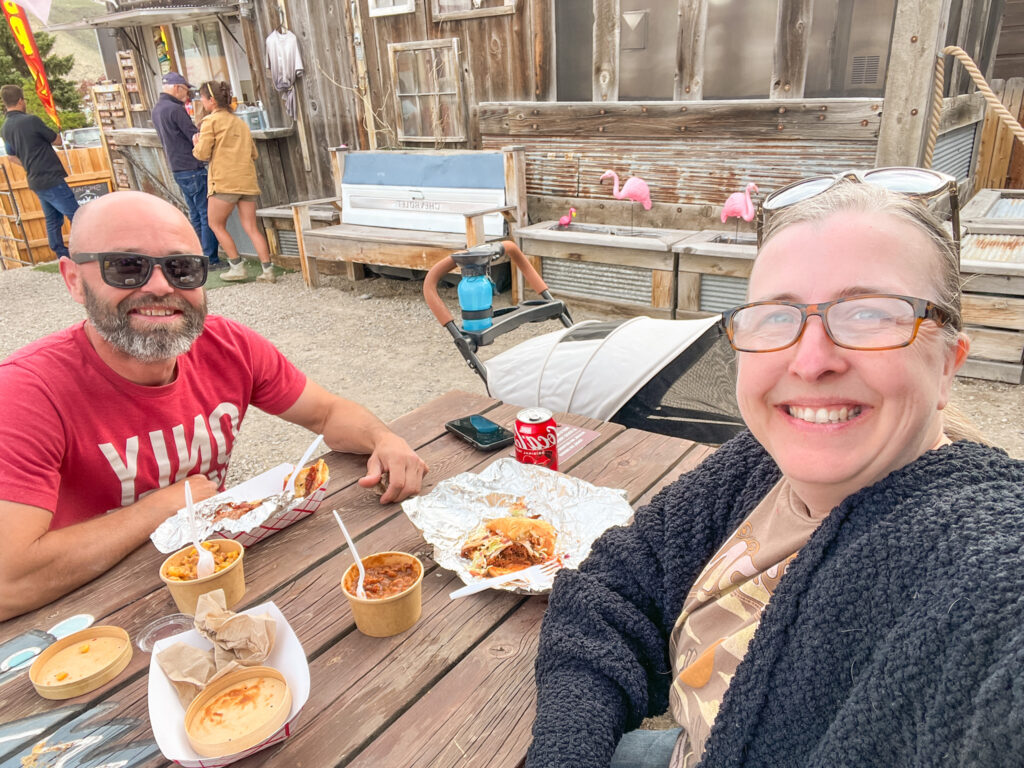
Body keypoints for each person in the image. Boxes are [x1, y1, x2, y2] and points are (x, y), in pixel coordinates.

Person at [526, 178, 1024, 767]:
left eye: (868, 313)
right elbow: (613, 584)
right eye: (775, 317)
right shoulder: (756, 469)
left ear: (947, 365)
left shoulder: (979, 563)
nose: (811, 361)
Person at [0, 191, 428, 620]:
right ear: (73, 279)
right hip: (87, 615)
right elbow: (8, 584)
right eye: (127, 267)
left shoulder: (228, 345)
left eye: (182, 268)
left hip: (218, 575)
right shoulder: (25, 392)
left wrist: (382, 438)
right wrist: (159, 507)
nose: (161, 287)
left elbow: (327, 414)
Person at [192, 80, 275, 283]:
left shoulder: (210, 122)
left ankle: (237, 266)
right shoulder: (240, 122)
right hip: (247, 181)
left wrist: (196, 142)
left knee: (215, 223)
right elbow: (253, 153)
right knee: (251, 227)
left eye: (202, 98)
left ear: (211, 100)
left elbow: (202, 154)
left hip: (224, 181)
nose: (201, 102)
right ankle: (268, 270)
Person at [151, 71, 223, 270]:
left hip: (177, 167)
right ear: (176, 87)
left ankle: (199, 256)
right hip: (191, 165)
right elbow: (194, 137)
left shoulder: (157, 109)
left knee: (195, 214)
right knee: (205, 213)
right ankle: (211, 258)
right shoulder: (175, 109)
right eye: (185, 90)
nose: (187, 95)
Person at [1, 84, 78, 260]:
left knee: (52, 219)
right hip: (50, 175)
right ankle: (83, 251)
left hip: (34, 179)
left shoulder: (5, 128)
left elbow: (11, 156)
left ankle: (61, 253)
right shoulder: (31, 121)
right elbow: (57, 140)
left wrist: (29, 165)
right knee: (76, 215)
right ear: (21, 101)